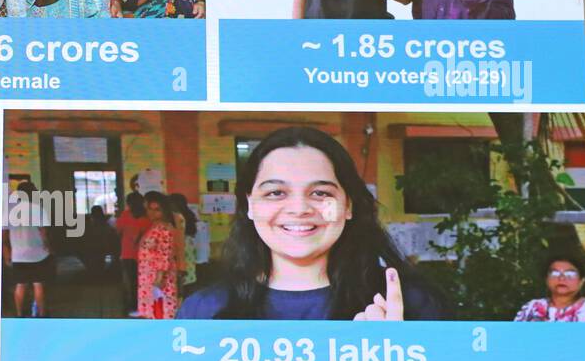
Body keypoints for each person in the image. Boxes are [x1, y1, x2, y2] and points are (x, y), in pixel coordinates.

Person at [178, 126, 446, 320]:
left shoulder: (411, 306)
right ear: (249, 205)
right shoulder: (203, 311)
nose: (299, 209)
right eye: (275, 192)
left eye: (320, 193)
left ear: (348, 206)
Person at [3, 181, 53, 317]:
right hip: (37, 254)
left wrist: (6, 253)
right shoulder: (38, 209)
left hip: (18, 254)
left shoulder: (9, 211)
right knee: (38, 284)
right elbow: (43, 232)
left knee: (20, 285)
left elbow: (4, 235)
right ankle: (41, 314)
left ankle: (19, 314)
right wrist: (48, 245)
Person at [515, 251, 585, 322]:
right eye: (555, 273)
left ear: (581, 281)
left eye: (570, 274)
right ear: (546, 279)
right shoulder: (532, 306)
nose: (561, 278)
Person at [137, 191, 179, 320]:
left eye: (157, 210)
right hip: (148, 276)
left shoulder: (164, 228)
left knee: (161, 309)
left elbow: (164, 253)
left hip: (159, 277)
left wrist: (159, 277)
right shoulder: (155, 226)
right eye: (150, 209)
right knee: (152, 309)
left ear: (164, 211)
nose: (152, 213)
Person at [115, 191, 151, 316]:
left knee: (131, 283)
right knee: (145, 282)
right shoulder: (148, 216)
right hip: (145, 255)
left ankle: (133, 307)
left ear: (128, 203)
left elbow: (118, 230)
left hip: (128, 254)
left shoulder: (125, 215)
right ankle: (146, 306)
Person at [169, 192, 198, 291]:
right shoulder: (189, 216)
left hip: (180, 250)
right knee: (188, 282)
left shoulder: (177, 218)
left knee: (179, 285)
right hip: (188, 250)